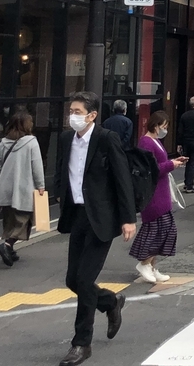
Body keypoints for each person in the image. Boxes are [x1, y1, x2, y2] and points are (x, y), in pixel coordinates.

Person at [54, 91, 136, 366]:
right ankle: (111, 302)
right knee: (72, 280)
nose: (72, 116)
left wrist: (128, 218)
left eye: (78, 111)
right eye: (71, 111)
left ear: (92, 115)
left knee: (85, 280)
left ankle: (81, 344)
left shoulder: (105, 139)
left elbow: (122, 177)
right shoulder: (66, 139)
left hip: (101, 217)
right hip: (76, 214)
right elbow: (63, 172)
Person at [130, 111, 188, 284]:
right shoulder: (146, 142)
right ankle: (145, 264)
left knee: (163, 229)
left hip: (159, 191)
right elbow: (150, 168)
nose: (165, 130)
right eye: (163, 126)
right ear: (155, 126)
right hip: (153, 193)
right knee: (158, 230)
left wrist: (173, 162)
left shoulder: (153, 141)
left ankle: (152, 267)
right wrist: (172, 164)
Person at [0, 110, 45, 267]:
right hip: (23, 188)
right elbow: (37, 166)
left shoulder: (4, 141)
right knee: (23, 219)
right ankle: (7, 245)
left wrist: (6, 173)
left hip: (5, 187)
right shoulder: (31, 142)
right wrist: (40, 185)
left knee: (9, 219)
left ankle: (10, 250)